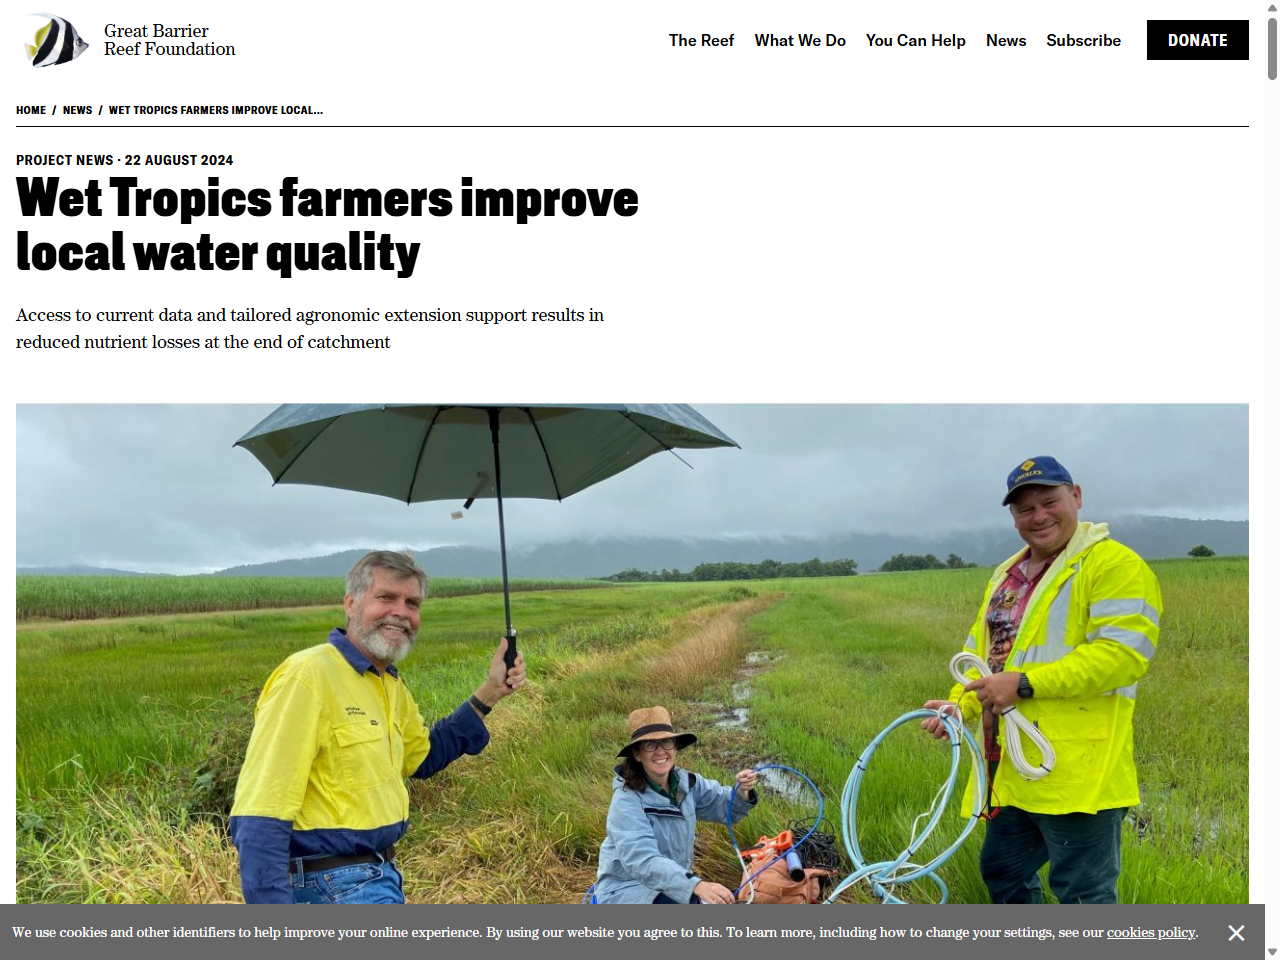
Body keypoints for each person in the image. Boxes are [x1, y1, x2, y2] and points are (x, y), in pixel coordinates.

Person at [921, 456, 1161, 904]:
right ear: (1013, 516)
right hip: (1008, 771)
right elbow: (981, 658)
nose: (1039, 516)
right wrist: (961, 706)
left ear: (1077, 496)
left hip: (1077, 776)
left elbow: (1122, 656)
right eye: (1024, 509)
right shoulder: (1006, 576)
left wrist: (1024, 683)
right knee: (1003, 874)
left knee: (1083, 894)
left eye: (1049, 501)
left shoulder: (1113, 566)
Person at [229, 549, 526, 903]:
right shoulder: (308, 676)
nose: (401, 612)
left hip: (378, 877)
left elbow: (423, 758)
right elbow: (261, 812)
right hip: (330, 885)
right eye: (386, 597)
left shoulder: (388, 685)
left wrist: (491, 691)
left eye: (412, 603)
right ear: (351, 604)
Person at [594, 706, 758, 904]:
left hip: (675, 884)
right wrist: (696, 886)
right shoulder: (626, 801)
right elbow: (643, 861)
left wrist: (741, 791)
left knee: (738, 899)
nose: (660, 751)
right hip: (627, 889)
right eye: (650, 745)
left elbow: (726, 808)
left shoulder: (687, 784)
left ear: (675, 747)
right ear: (637, 755)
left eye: (666, 742)